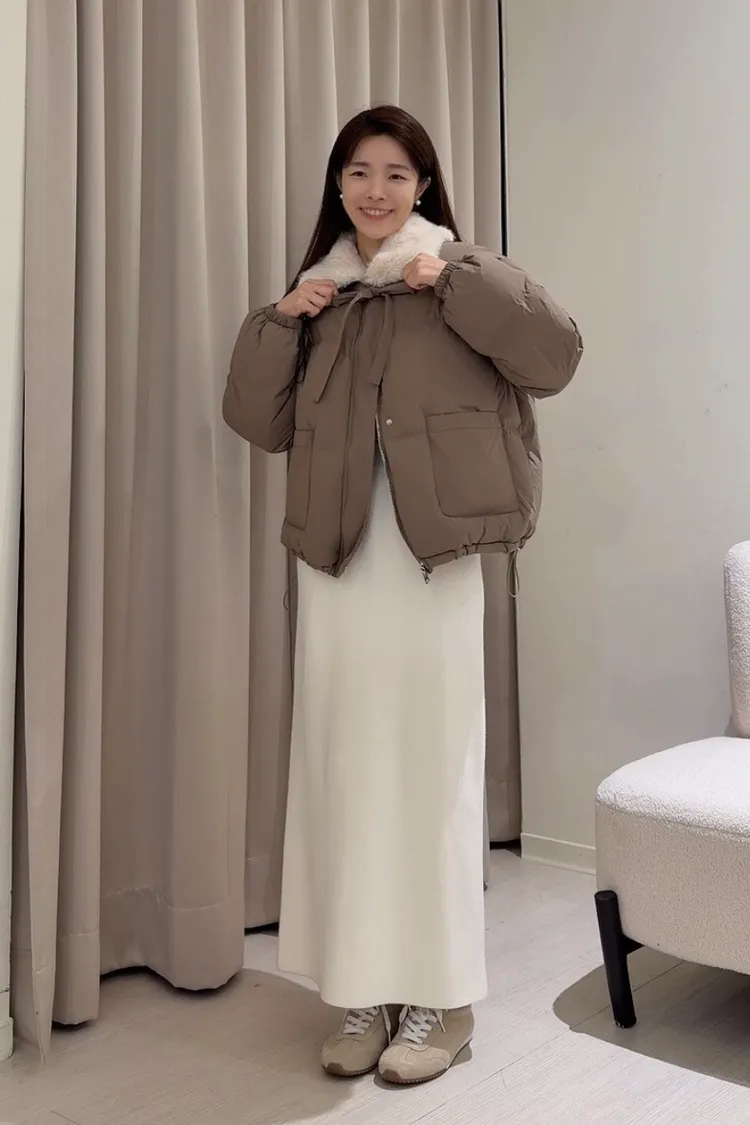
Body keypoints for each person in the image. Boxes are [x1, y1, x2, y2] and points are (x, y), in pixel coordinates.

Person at [223, 104, 582, 1086]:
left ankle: (443, 998)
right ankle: (364, 990)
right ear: (337, 187)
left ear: (423, 185)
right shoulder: (325, 295)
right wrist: (279, 319)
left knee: (429, 772)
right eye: (358, 173)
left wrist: (457, 276)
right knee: (347, 770)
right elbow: (257, 421)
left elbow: (555, 356)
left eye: (394, 173)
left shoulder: (452, 272)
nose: (375, 191)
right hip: (338, 566)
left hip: (433, 566)